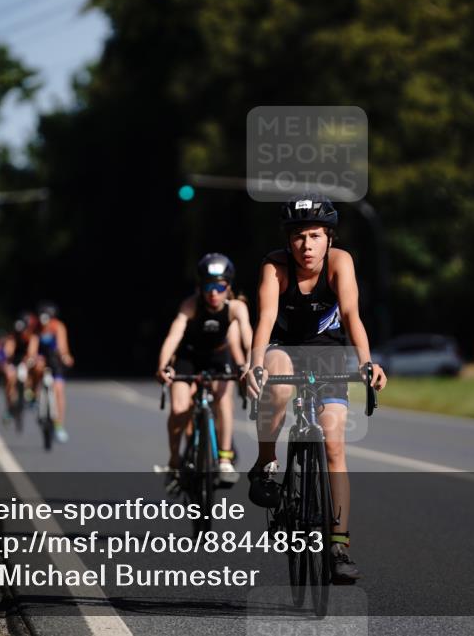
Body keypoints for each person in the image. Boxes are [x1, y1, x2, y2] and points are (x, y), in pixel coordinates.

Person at [244, 193, 387, 584]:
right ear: (288, 240)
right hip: (285, 347)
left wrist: (367, 363)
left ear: (329, 238)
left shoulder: (340, 263)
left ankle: (338, 545)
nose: (306, 245)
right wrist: (255, 364)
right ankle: (266, 462)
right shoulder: (275, 267)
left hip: (328, 352)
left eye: (315, 236)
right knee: (276, 383)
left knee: (334, 442)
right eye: (298, 236)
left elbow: (352, 315)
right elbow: (266, 318)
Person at [155, 253, 253, 486]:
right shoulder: (190, 305)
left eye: (219, 287)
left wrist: (249, 365)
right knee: (179, 408)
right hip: (189, 357)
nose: (213, 293)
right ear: (200, 287)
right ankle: (174, 461)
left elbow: (248, 339)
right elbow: (173, 336)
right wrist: (162, 366)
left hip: (218, 357)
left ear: (228, 286)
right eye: (208, 287)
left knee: (224, 400)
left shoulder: (236, 307)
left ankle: (225, 459)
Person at [27, 302, 75, 442]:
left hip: (55, 360)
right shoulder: (36, 329)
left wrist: (65, 357)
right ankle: (34, 395)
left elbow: (62, 346)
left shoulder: (58, 327)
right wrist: (31, 357)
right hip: (41, 359)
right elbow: (32, 346)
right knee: (36, 367)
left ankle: (59, 426)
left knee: (59, 389)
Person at [2, 311, 36, 423]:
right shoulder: (12, 337)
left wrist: (28, 359)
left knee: (30, 368)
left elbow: (32, 352)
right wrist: (9, 353)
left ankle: (29, 392)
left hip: (25, 362)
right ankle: (9, 408)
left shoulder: (32, 338)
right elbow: (8, 352)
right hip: (14, 362)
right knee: (9, 378)